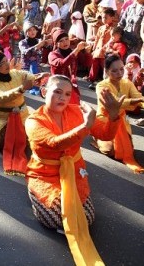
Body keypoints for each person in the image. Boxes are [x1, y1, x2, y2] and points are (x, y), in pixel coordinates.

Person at [25, 74, 123, 266]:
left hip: (74, 169)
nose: (63, 98)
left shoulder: (76, 112)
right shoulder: (33, 120)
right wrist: (85, 127)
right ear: (44, 92)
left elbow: (104, 133)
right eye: (58, 92)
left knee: (85, 218)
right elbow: (54, 143)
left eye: (68, 94)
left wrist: (113, 117)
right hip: (45, 174)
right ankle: (35, 196)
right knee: (55, 218)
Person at [0, 49, 48, 176]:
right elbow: (0, 97)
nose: (7, 65)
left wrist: (38, 77)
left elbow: (29, 77)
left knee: (32, 138)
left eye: (6, 60)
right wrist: (22, 88)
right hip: (2, 118)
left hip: (22, 115)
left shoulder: (15, 74)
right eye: (1, 64)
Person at [93, 54, 144, 174]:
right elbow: (115, 103)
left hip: (121, 121)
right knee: (110, 150)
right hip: (105, 120)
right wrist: (135, 101)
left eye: (121, 69)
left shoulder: (127, 83)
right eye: (114, 71)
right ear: (106, 71)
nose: (119, 73)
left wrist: (140, 101)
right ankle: (97, 136)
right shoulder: (101, 86)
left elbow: (138, 97)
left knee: (127, 150)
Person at [48, 28, 86, 103]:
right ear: (56, 43)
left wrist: (87, 53)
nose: (65, 42)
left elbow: (86, 63)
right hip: (58, 87)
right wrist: (77, 50)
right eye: (61, 41)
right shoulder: (52, 54)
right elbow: (62, 63)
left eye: (66, 39)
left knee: (74, 108)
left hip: (71, 86)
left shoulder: (73, 52)